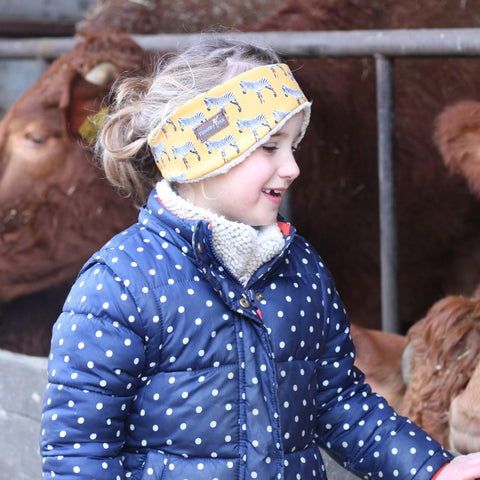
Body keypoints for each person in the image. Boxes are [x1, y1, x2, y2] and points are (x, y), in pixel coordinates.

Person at [39, 36, 480, 480]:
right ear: (203, 149)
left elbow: (338, 402)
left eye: (292, 146)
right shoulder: (123, 281)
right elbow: (79, 448)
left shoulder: (300, 268)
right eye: (270, 147)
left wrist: (434, 468)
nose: (292, 167)